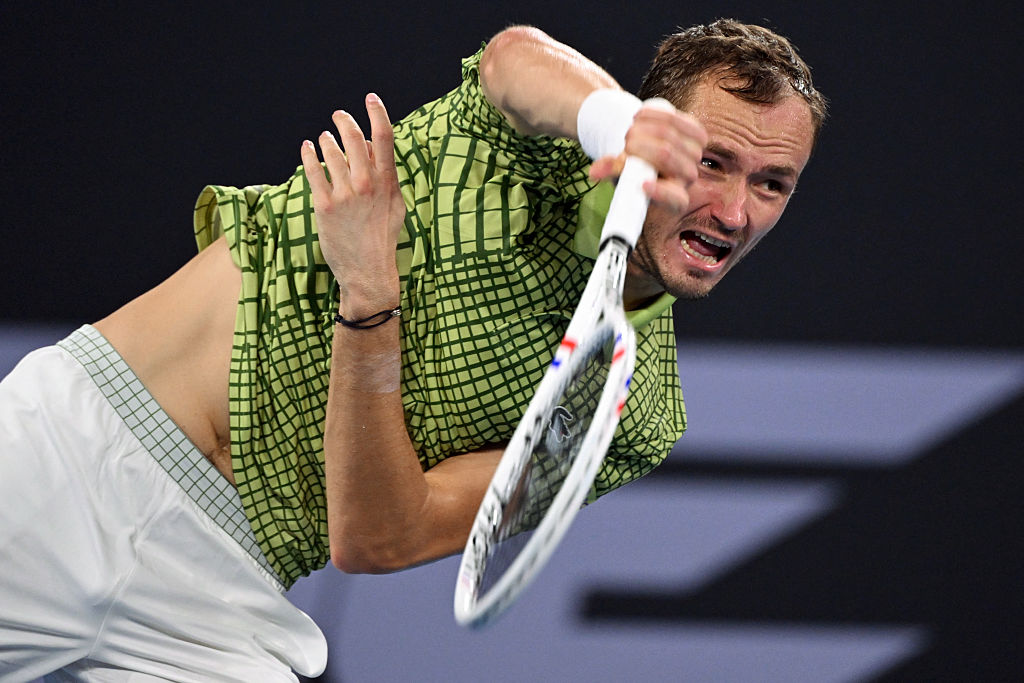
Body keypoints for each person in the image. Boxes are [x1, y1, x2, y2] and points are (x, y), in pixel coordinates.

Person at [0, 18, 826, 681]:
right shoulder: (525, 154)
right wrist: (613, 119)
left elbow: (379, 539)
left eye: (771, 183)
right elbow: (513, 60)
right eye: (711, 161)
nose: (733, 209)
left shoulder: (633, 410)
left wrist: (370, 300)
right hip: (70, 455)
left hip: (219, 594)